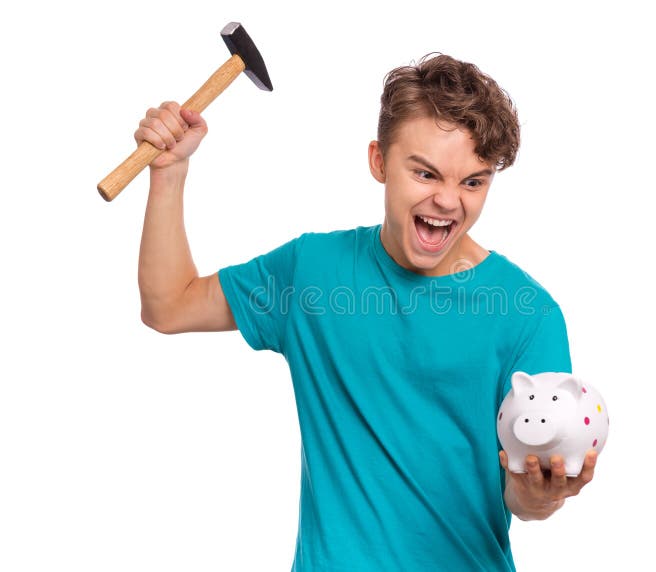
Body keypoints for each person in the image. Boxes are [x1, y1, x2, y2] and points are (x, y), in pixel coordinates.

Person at [136, 53, 598, 571]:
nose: (448, 201)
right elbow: (168, 305)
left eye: (473, 181)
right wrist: (169, 174)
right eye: (426, 173)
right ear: (379, 161)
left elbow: (526, 499)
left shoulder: (526, 313)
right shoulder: (310, 273)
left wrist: (539, 491)